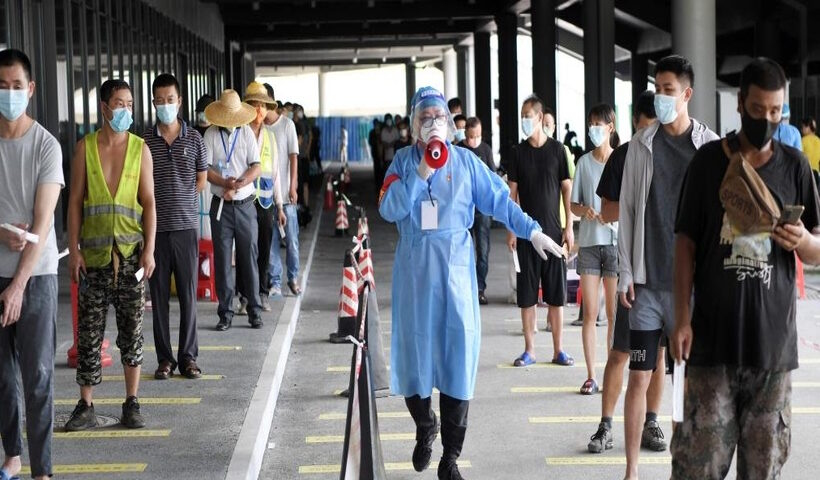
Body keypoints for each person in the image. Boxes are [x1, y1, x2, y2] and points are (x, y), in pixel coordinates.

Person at [379, 86, 562, 480]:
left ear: (450, 124)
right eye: (424, 118)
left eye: (438, 117)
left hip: (457, 276)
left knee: (458, 361)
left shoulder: (464, 162)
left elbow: (499, 200)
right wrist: (422, 172)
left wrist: (533, 232)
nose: (432, 124)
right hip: (415, 275)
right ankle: (424, 425)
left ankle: (451, 456)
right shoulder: (401, 163)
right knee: (415, 359)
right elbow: (389, 207)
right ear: (413, 126)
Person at [671, 57, 820, 480]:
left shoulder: (795, 166)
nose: (767, 121)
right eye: (758, 111)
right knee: (696, 468)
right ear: (740, 104)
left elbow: (817, 247)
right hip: (710, 346)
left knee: (763, 471)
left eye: (776, 112)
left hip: (771, 350)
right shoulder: (705, 165)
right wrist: (681, 318)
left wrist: (805, 242)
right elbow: (685, 243)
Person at [618, 55, 719, 480]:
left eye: (668, 90)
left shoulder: (710, 148)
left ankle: (684, 469)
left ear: (687, 94)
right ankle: (632, 471)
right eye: (656, 89)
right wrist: (624, 271)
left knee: (685, 386)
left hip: (689, 293)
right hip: (645, 286)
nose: (660, 96)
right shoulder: (642, 144)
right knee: (638, 378)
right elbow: (625, 211)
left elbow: (718, 220)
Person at [65, 78, 157, 431]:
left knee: (131, 333)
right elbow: (74, 203)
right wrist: (73, 251)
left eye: (130, 104)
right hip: (94, 258)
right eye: (120, 104)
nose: (126, 110)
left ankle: (131, 402)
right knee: (88, 333)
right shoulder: (84, 148)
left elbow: (148, 203)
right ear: (104, 108)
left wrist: (149, 250)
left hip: (132, 256)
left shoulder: (139, 149)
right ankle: (85, 404)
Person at [586, 90, 668, 454]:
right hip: (633, 270)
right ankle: (605, 425)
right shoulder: (624, 154)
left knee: (660, 356)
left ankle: (652, 422)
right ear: (637, 122)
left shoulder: (674, 152)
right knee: (621, 352)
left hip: (666, 272)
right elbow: (606, 209)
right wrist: (639, 205)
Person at [0, 48, 63, 480]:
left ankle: (42, 470)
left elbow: (41, 226)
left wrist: (19, 285)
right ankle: (13, 454)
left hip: (35, 278)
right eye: (2, 87)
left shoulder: (46, 145)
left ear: (31, 89)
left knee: (37, 375)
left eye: (16, 87)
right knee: (3, 379)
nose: (9, 95)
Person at [143, 73, 208, 380]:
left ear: (179, 101)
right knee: (158, 298)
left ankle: (188, 358)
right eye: (159, 100)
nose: (165, 105)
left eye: (170, 100)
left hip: (185, 228)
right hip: (154, 231)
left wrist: (181, 200)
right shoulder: (143, 141)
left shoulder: (194, 138)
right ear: (153, 102)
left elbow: (201, 178)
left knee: (187, 296)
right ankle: (165, 359)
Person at [508, 94, 574, 367]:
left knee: (556, 296)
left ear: (539, 117)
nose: (524, 121)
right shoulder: (517, 153)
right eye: (522, 116)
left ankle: (559, 350)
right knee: (527, 296)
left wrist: (569, 226)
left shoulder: (558, 150)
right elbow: (512, 195)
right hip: (525, 235)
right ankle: (530, 350)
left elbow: (567, 189)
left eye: (528, 116)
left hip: (554, 234)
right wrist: (511, 229)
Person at [570, 104, 620, 395]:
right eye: (591, 124)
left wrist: (611, 214)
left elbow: (628, 205)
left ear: (610, 128)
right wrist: (584, 210)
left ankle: (612, 374)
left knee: (613, 315)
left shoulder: (621, 160)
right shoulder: (583, 163)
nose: (593, 129)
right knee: (590, 313)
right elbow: (574, 206)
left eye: (598, 125)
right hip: (589, 243)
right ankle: (591, 375)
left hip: (614, 245)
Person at [202, 89, 262, 331]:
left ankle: (254, 310)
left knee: (249, 258)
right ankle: (225, 313)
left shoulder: (246, 133)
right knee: (224, 260)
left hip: (245, 204)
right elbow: (204, 169)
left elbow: (256, 166)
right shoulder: (210, 135)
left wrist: (240, 183)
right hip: (221, 207)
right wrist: (223, 183)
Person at [236, 82, 286, 312]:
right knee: (246, 248)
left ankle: (262, 293)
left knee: (264, 248)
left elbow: (275, 174)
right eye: (255, 105)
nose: (260, 110)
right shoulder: (239, 134)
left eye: (263, 106)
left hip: (265, 202)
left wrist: (280, 205)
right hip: (243, 200)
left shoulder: (271, 138)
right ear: (246, 108)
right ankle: (244, 295)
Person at [264, 83, 301, 297]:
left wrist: (293, 185)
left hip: (287, 194)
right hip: (267, 197)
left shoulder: (287, 125)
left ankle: (293, 277)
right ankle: (275, 281)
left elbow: (293, 157)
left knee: (292, 240)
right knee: (271, 242)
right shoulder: (259, 128)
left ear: (271, 102)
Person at [459, 117, 495, 305]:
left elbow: (492, 178)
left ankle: (479, 288)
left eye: (478, 136)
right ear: (465, 134)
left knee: (482, 251)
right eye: (471, 136)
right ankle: (464, 288)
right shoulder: (458, 150)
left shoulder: (486, 150)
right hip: (462, 210)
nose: (475, 140)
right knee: (462, 251)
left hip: (482, 211)